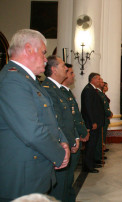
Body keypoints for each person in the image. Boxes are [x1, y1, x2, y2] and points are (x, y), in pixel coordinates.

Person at [0, 29, 69, 201]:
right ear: (29, 49)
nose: (46, 59)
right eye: (44, 52)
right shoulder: (13, 80)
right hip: (22, 173)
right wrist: (59, 153)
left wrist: (63, 141)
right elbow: (31, 130)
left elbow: (50, 118)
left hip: (35, 167)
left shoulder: (27, 80)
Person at [42, 56, 79, 201]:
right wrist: (69, 141)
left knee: (66, 182)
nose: (66, 68)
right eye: (63, 65)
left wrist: (75, 137)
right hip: (60, 145)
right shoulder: (48, 89)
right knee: (59, 187)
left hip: (67, 141)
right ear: (54, 69)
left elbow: (70, 117)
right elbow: (57, 121)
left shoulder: (58, 89)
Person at [61, 63, 90, 202]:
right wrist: (75, 138)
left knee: (69, 178)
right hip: (67, 141)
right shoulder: (56, 91)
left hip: (74, 138)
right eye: (71, 73)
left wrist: (82, 132)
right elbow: (63, 120)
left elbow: (75, 115)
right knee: (64, 181)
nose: (73, 76)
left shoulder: (66, 91)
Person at [81, 73, 105, 173]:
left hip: (96, 122)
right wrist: (92, 122)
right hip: (92, 123)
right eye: (98, 79)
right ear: (93, 79)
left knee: (93, 144)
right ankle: (87, 166)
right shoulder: (88, 90)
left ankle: (92, 163)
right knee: (90, 145)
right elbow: (88, 108)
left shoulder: (92, 89)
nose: (100, 81)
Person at [94, 80, 112, 164]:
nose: (104, 85)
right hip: (103, 118)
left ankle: (100, 154)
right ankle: (98, 156)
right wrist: (108, 113)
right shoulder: (99, 94)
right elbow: (104, 107)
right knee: (100, 139)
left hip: (105, 119)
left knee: (102, 138)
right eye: (103, 84)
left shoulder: (101, 94)